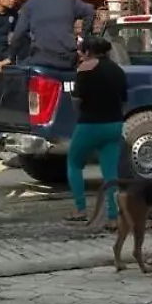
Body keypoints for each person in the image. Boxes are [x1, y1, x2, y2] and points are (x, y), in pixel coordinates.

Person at [65, 36, 128, 230]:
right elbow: (124, 100)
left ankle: (80, 209)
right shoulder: (118, 70)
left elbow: (77, 99)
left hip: (90, 124)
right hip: (114, 124)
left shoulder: (85, 69)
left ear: (87, 52)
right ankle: (113, 217)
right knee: (110, 173)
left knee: (74, 163)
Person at [0, 0, 97, 71]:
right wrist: (82, 37)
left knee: (22, 72)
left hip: (41, 60)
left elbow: (18, 34)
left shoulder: (31, 4)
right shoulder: (70, 1)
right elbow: (90, 12)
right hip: (67, 60)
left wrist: (10, 57)